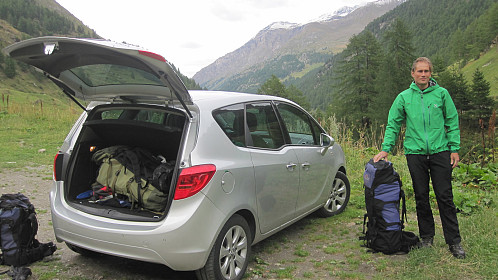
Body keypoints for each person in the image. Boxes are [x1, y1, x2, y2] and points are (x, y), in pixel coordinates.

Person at [373, 57, 466, 259]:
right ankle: (427, 237)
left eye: (426, 71)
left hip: (440, 151)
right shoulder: (404, 97)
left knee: (445, 197)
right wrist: (386, 149)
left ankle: (454, 242)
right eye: (419, 71)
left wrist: (454, 148)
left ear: (430, 73)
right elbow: (393, 124)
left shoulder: (442, 94)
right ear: (413, 73)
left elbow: (452, 120)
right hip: (415, 153)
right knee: (421, 196)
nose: (423, 74)